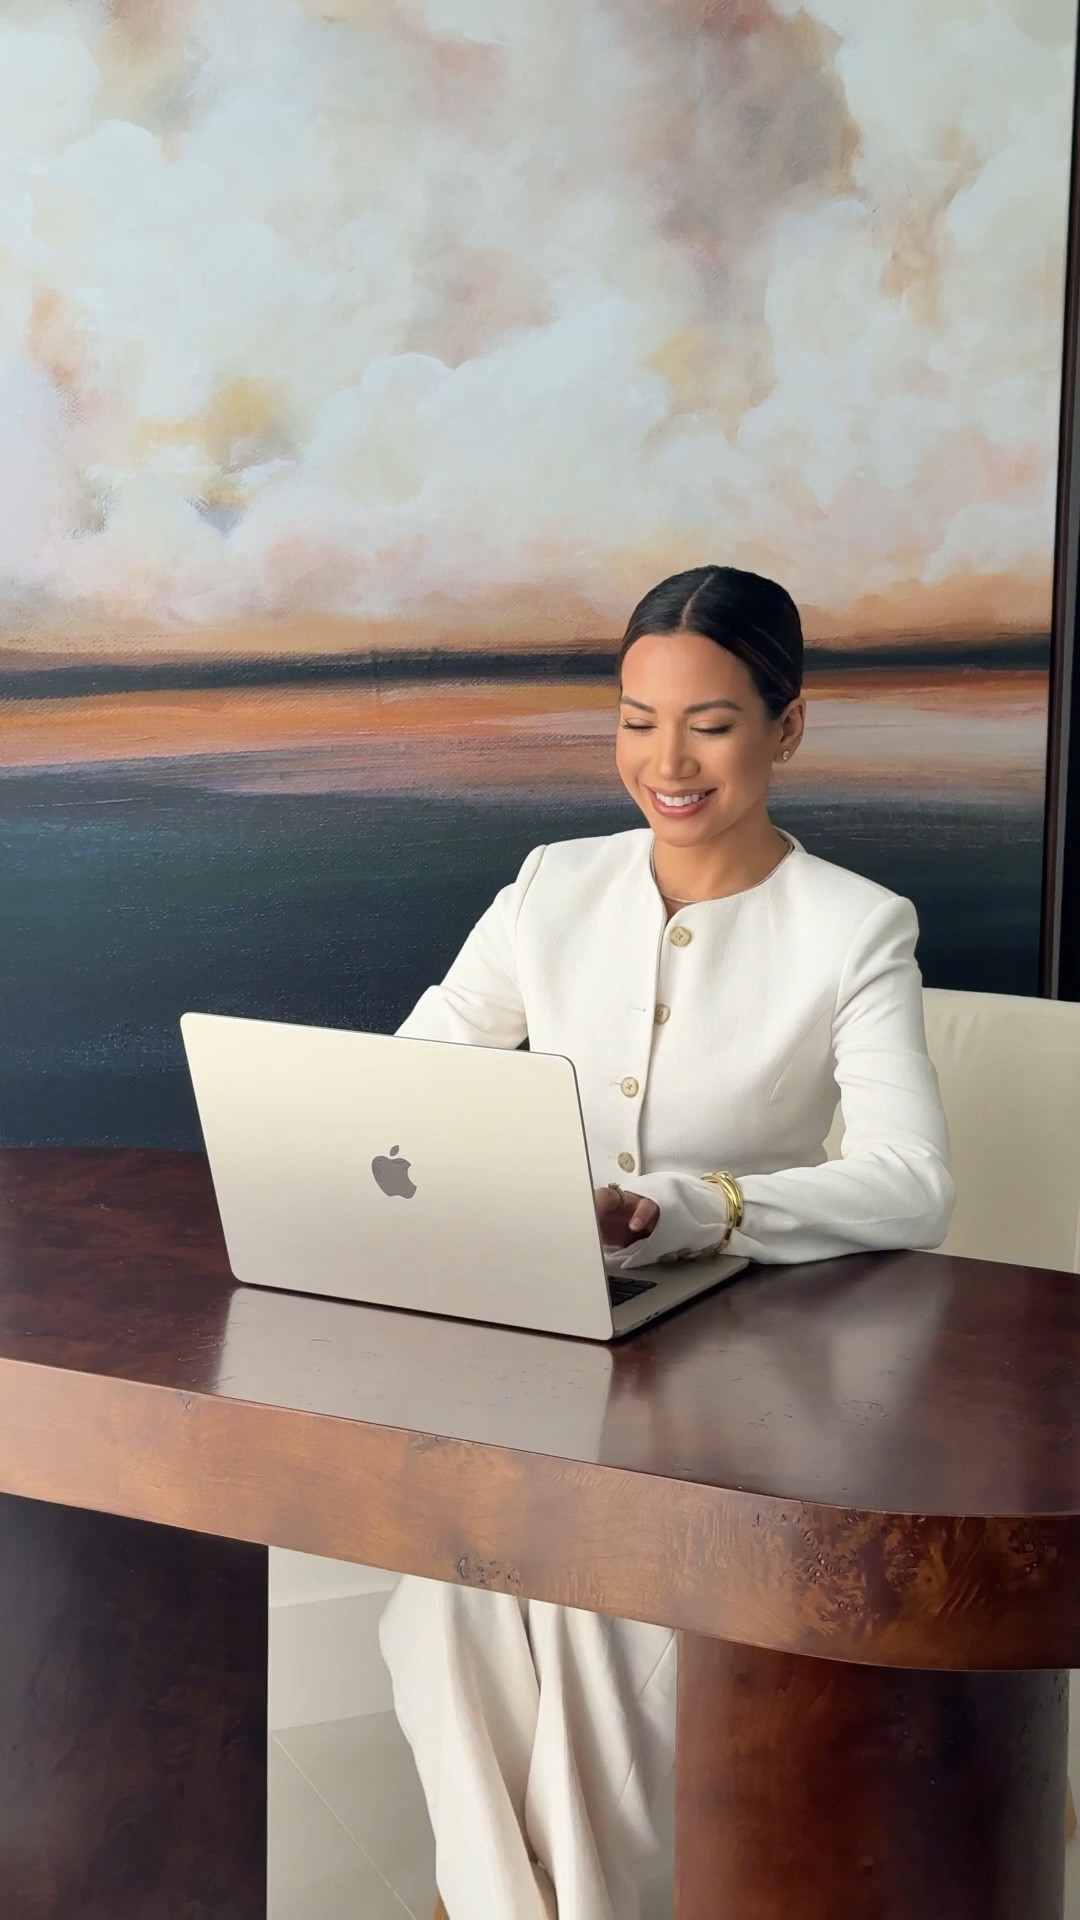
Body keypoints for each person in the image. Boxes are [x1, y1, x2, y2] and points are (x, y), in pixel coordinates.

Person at [379, 565, 954, 1920]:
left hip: (748, 1381)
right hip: (558, 1356)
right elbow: (418, 1080)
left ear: (787, 727)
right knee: (444, 1603)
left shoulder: (856, 928)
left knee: (589, 1621)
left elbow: (912, 1183)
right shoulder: (549, 887)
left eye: (708, 721)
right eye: (638, 719)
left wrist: (697, 1206)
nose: (665, 760)